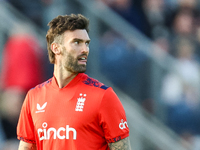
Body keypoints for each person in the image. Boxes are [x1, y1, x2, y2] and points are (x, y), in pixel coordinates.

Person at [17, 14, 131, 150]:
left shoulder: (104, 96)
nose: (85, 50)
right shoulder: (33, 97)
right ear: (56, 48)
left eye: (86, 43)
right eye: (77, 42)